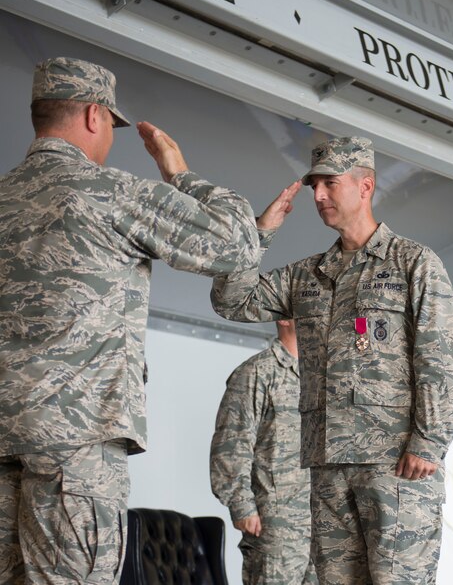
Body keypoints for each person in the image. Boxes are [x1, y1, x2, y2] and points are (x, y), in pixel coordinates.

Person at [0, 56, 260, 585]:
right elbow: (235, 244)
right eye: (110, 128)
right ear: (94, 115)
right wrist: (178, 172)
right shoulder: (108, 192)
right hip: (77, 442)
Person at [211, 136, 453, 585]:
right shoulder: (305, 275)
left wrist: (429, 442)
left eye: (329, 183)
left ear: (365, 186)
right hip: (328, 466)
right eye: (313, 186)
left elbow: (442, 357)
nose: (318, 196)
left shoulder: (412, 263)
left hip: (395, 465)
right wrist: (261, 231)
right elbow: (231, 301)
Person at [210, 319, 317, 585]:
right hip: (276, 524)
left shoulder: (322, 377)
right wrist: (242, 506)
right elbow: (232, 443)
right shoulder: (257, 372)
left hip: (323, 524)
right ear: (284, 319)